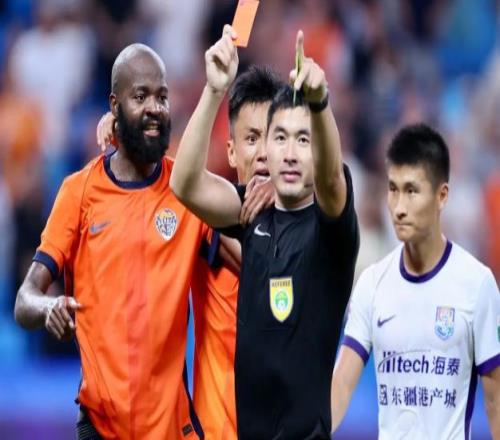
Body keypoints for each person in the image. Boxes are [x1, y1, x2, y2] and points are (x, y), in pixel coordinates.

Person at [14, 43, 212, 440]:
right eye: (140, 97)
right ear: (114, 105)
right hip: (100, 427)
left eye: (162, 97)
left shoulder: (186, 191)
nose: (155, 108)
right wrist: (49, 306)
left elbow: (244, 245)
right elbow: (24, 300)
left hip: (172, 429)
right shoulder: (79, 192)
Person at [170, 25, 359, 439]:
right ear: (266, 151)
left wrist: (320, 104)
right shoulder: (250, 213)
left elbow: (331, 180)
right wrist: (214, 90)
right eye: (280, 139)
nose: (289, 153)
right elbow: (184, 184)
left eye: (303, 140)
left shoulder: (332, 230)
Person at [96, 65, 283, 440]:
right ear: (231, 152)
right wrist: (130, 133)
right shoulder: (202, 216)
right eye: (251, 138)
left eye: (274, 138)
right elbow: (168, 180)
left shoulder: (313, 232)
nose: (263, 153)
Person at [331, 123, 500, 439]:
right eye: (393, 189)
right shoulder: (372, 283)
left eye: (411, 191)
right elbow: (340, 386)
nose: (398, 208)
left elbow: (495, 399)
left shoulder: (477, 284)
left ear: (442, 196)